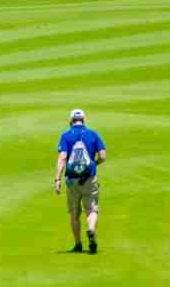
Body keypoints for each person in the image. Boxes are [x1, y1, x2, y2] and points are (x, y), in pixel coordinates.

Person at [55, 109, 106, 254]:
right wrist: (94, 164)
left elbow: (62, 157)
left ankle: (78, 245)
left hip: (72, 181)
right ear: (84, 120)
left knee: (74, 213)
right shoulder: (93, 134)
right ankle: (90, 229)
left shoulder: (65, 136)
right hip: (89, 178)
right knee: (92, 209)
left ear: (71, 121)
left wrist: (57, 179)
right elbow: (103, 156)